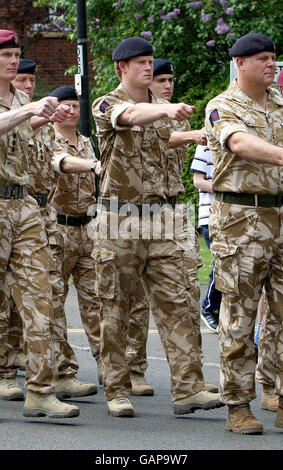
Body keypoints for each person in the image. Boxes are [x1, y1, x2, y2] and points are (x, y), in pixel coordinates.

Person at [91, 37, 224, 417]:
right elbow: (128, 118)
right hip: (121, 218)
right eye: (141, 63)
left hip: (164, 217)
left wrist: (190, 129)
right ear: (122, 68)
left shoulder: (163, 108)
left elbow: (170, 139)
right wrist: (166, 113)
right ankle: (117, 387)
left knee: (178, 301)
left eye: (150, 61)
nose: (148, 68)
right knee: (115, 305)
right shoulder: (108, 103)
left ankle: (188, 387)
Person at [0, 59, 98, 402]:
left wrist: (38, 114)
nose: (25, 82)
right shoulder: (25, 111)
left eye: (29, 76)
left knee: (41, 297)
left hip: (30, 207)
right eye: (7, 57)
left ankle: (46, 384)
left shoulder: (26, 107)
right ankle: (5, 371)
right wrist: (34, 114)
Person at [205, 32, 283, 434]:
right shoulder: (222, 106)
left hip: (281, 215)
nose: (272, 64)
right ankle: (238, 405)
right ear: (241, 63)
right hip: (241, 220)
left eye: (273, 58)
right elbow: (240, 143)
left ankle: (281, 395)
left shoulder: (282, 105)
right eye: (264, 59)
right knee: (239, 315)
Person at [126, 57, 218, 394]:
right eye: (160, 79)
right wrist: (192, 133)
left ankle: (189, 380)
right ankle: (133, 370)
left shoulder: (173, 113)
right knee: (135, 301)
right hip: (134, 214)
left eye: (170, 79)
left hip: (173, 211)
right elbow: (158, 141)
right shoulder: (134, 110)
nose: (167, 85)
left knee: (183, 295)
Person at [48, 85, 102, 389]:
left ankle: (110, 370)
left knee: (98, 302)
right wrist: (93, 165)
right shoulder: (47, 140)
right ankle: (64, 372)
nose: (70, 110)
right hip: (58, 230)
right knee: (55, 304)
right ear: (55, 111)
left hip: (88, 230)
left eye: (74, 105)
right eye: (65, 106)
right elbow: (62, 163)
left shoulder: (86, 141)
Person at [190, 144, 222, 333]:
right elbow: (197, 181)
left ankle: (220, 310)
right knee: (221, 262)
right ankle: (209, 307)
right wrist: (225, 189)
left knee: (230, 264)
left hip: (230, 217)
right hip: (210, 217)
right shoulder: (204, 148)